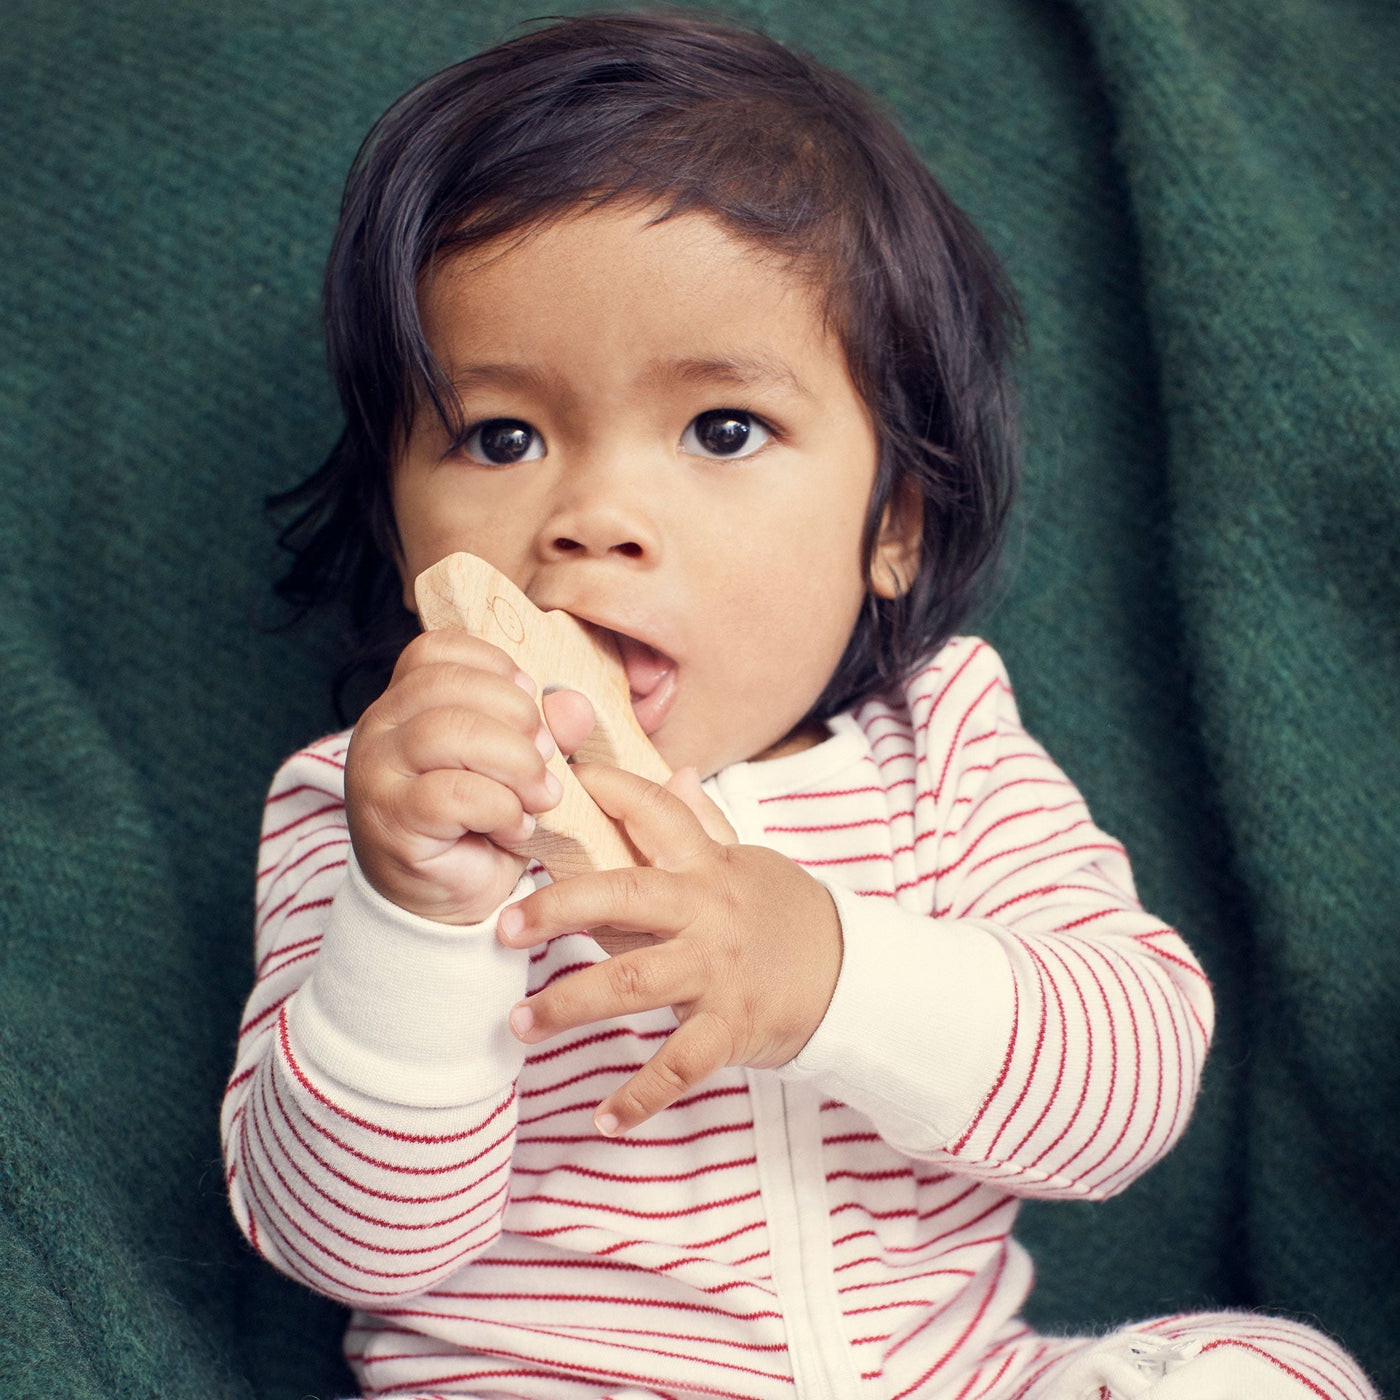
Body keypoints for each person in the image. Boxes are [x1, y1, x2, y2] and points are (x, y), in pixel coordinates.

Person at [222, 12, 1376, 1398]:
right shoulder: (377, 807)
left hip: (951, 1377)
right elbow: (347, 1243)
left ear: (890, 523)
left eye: (721, 430)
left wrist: (831, 971)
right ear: (400, 514)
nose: (594, 518)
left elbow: (1128, 1089)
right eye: (500, 436)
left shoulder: (940, 747)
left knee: (1263, 1373)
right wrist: (417, 915)